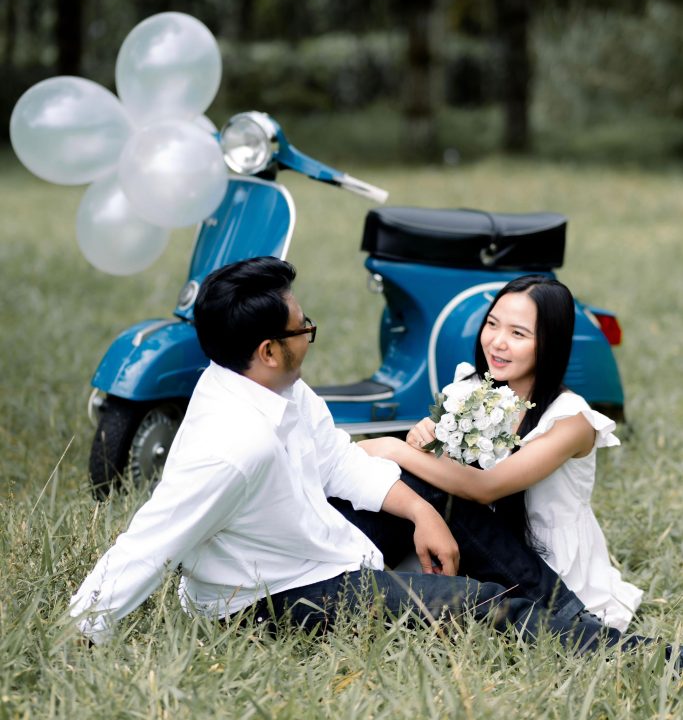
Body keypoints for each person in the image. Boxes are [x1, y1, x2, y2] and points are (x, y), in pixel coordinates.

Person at [69, 257, 637, 659]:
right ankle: (631, 655)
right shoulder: (232, 447)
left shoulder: (282, 389)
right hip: (275, 596)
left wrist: (421, 512)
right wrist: (82, 630)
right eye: (303, 327)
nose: (309, 332)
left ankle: (574, 616)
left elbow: (340, 462)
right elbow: (151, 541)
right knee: (485, 606)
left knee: (437, 497)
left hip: (321, 545)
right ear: (269, 350)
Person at [360, 274, 643, 633]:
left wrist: (392, 447)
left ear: (550, 343)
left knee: (408, 475)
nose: (497, 342)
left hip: (548, 570)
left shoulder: (571, 420)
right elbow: (444, 473)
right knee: (403, 485)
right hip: (479, 543)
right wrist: (424, 440)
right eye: (492, 324)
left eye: (518, 333)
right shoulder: (473, 390)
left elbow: (485, 487)